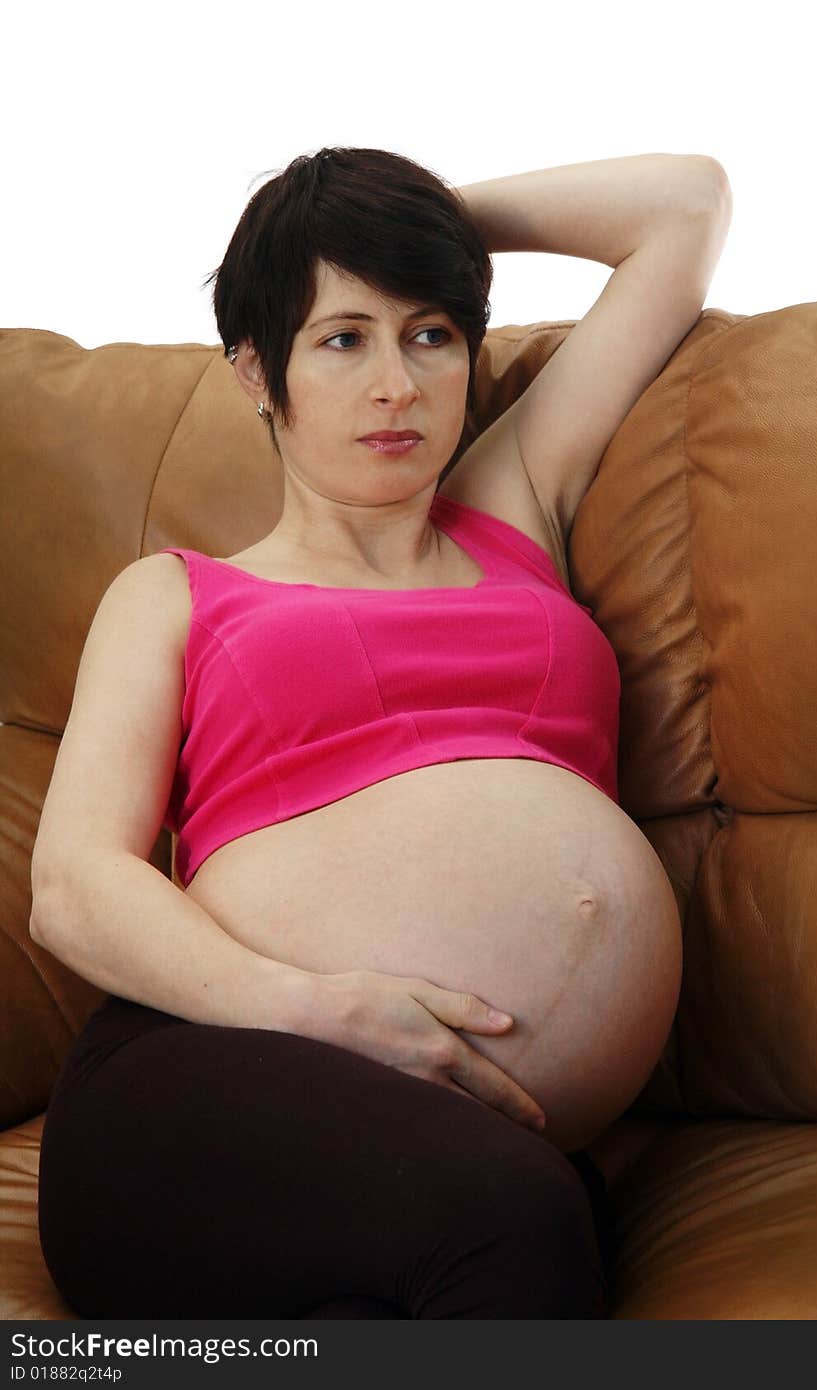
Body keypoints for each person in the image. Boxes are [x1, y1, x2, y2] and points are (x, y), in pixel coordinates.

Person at [33, 145, 686, 1318]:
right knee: (518, 1225)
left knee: (513, 1221)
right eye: (341, 337)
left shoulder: (510, 506)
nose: (398, 383)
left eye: (431, 332)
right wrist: (316, 1007)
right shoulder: (177, 595)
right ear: (254, 370)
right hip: (205, 1075)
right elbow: (73, 882)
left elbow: (681, 211)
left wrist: (412, 227)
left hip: (441, 1144)